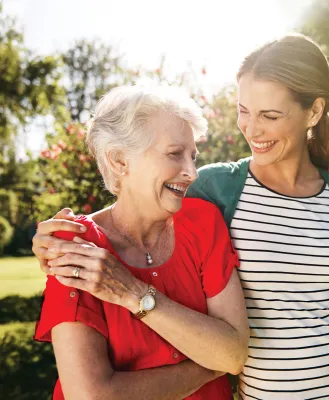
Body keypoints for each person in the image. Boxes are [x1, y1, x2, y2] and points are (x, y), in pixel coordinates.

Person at [33, 35, 329, 399]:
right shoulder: (217, 189)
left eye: (270, 115)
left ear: (314, 112)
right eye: (243, 110)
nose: (251, 129)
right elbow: (139, 194)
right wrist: (59, 237)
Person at [33, 83, 250, 400]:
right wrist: (209, 364)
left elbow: (232, 353)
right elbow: (91, 395)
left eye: (193, 156)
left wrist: (134, 293)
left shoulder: (202, 221)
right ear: (120, 161)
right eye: (175, 154)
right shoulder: (76, 244)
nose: (191, 172)